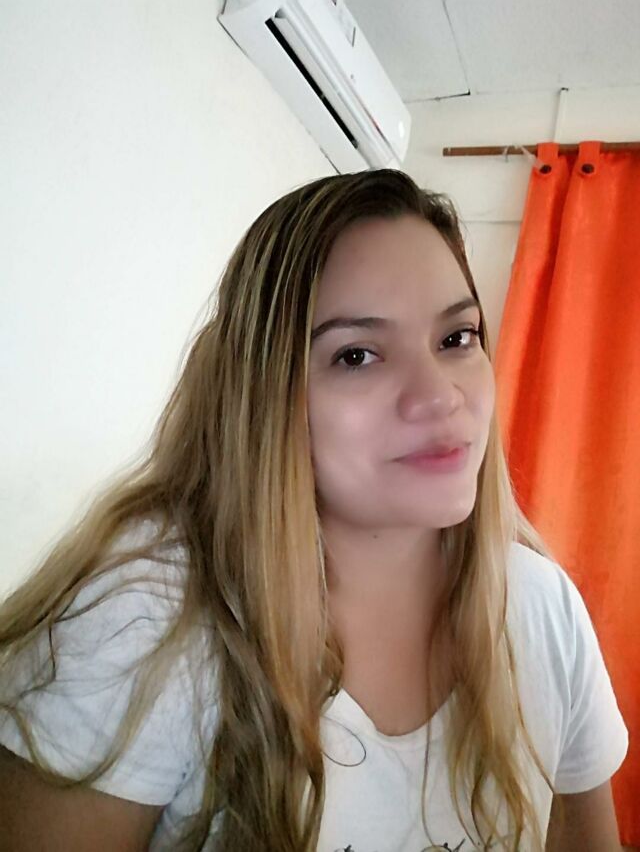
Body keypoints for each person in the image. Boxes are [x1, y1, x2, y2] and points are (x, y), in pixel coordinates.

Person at [0, 168, 628, 852]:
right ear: (267, 391)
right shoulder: (142, 625)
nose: (440, 396)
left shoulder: (543, 609)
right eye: (357, 355)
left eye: (456, 338)